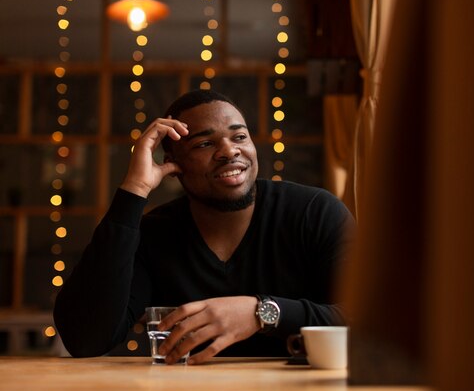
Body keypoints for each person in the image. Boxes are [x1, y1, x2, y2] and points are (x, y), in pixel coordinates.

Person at [53, 89, 355, 365]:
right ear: (172, 163)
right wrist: (134, 189)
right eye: (205, 143)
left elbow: (371, 322)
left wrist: (261, 312)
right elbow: (86, 339)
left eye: (239, 137)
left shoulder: (314, 212)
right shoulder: (155, 235)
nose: (229, 151)